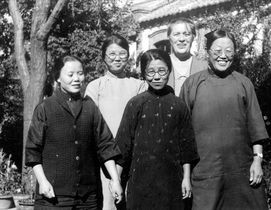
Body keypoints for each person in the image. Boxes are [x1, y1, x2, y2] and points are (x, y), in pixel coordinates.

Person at [180, 29, 269, 210]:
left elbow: (256, 129)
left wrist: (257, 161)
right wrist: (185, 175)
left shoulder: (244, 83)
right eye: (217, 51)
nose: (223, 56)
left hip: (242, 172)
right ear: (207, 52)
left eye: (229, 51)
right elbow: (183, 137)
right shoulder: (192, 84)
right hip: (205, 175)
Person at [25, 55, 123, 209]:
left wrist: (115, 180)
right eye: (70, 75)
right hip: (54, 197)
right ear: (58, 77)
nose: (76, 78)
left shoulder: (90, 107)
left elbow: (106, 146)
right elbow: (33, 151)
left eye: (80, 73)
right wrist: (42, 181)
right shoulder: (45, 108)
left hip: (88, 198)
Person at [115, 49, 199, 210]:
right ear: (144, 74)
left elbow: (186, 147)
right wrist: (117, 182)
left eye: (162, 71)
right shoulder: (135, 104)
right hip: (140, 182)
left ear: (169, 70)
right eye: (151, 72)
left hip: (172, 182)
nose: (157, 76)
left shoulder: (179, 105)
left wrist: (186, 178)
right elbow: (123, 147)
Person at [85, 34, 147, 210]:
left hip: (134, 157)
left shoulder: (138, 85)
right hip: (105, 159)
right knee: (108, 203)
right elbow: (92, 126)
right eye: (112, 54)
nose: (117, 58)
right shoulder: (95, 86)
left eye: (122, 53)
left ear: (128, 55)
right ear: (104, 56)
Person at [167, 17, 207, 96]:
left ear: (193, 37)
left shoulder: (204, 67)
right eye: (176, 34)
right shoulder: (161, 65)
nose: (181, 39)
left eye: (187, 34)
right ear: (169, 37)